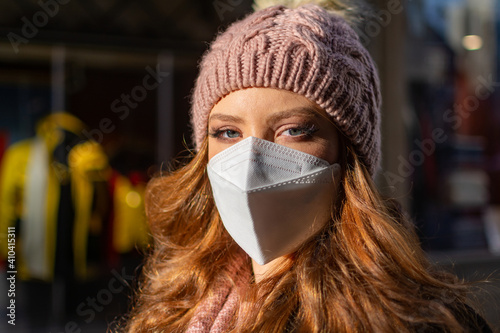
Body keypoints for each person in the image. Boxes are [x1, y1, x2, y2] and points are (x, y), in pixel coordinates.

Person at [121, 1, 492, 332]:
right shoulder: (176, 307)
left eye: (294, 130)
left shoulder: (420, 320)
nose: (251, 160)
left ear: (349, 156)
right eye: (228, 132)